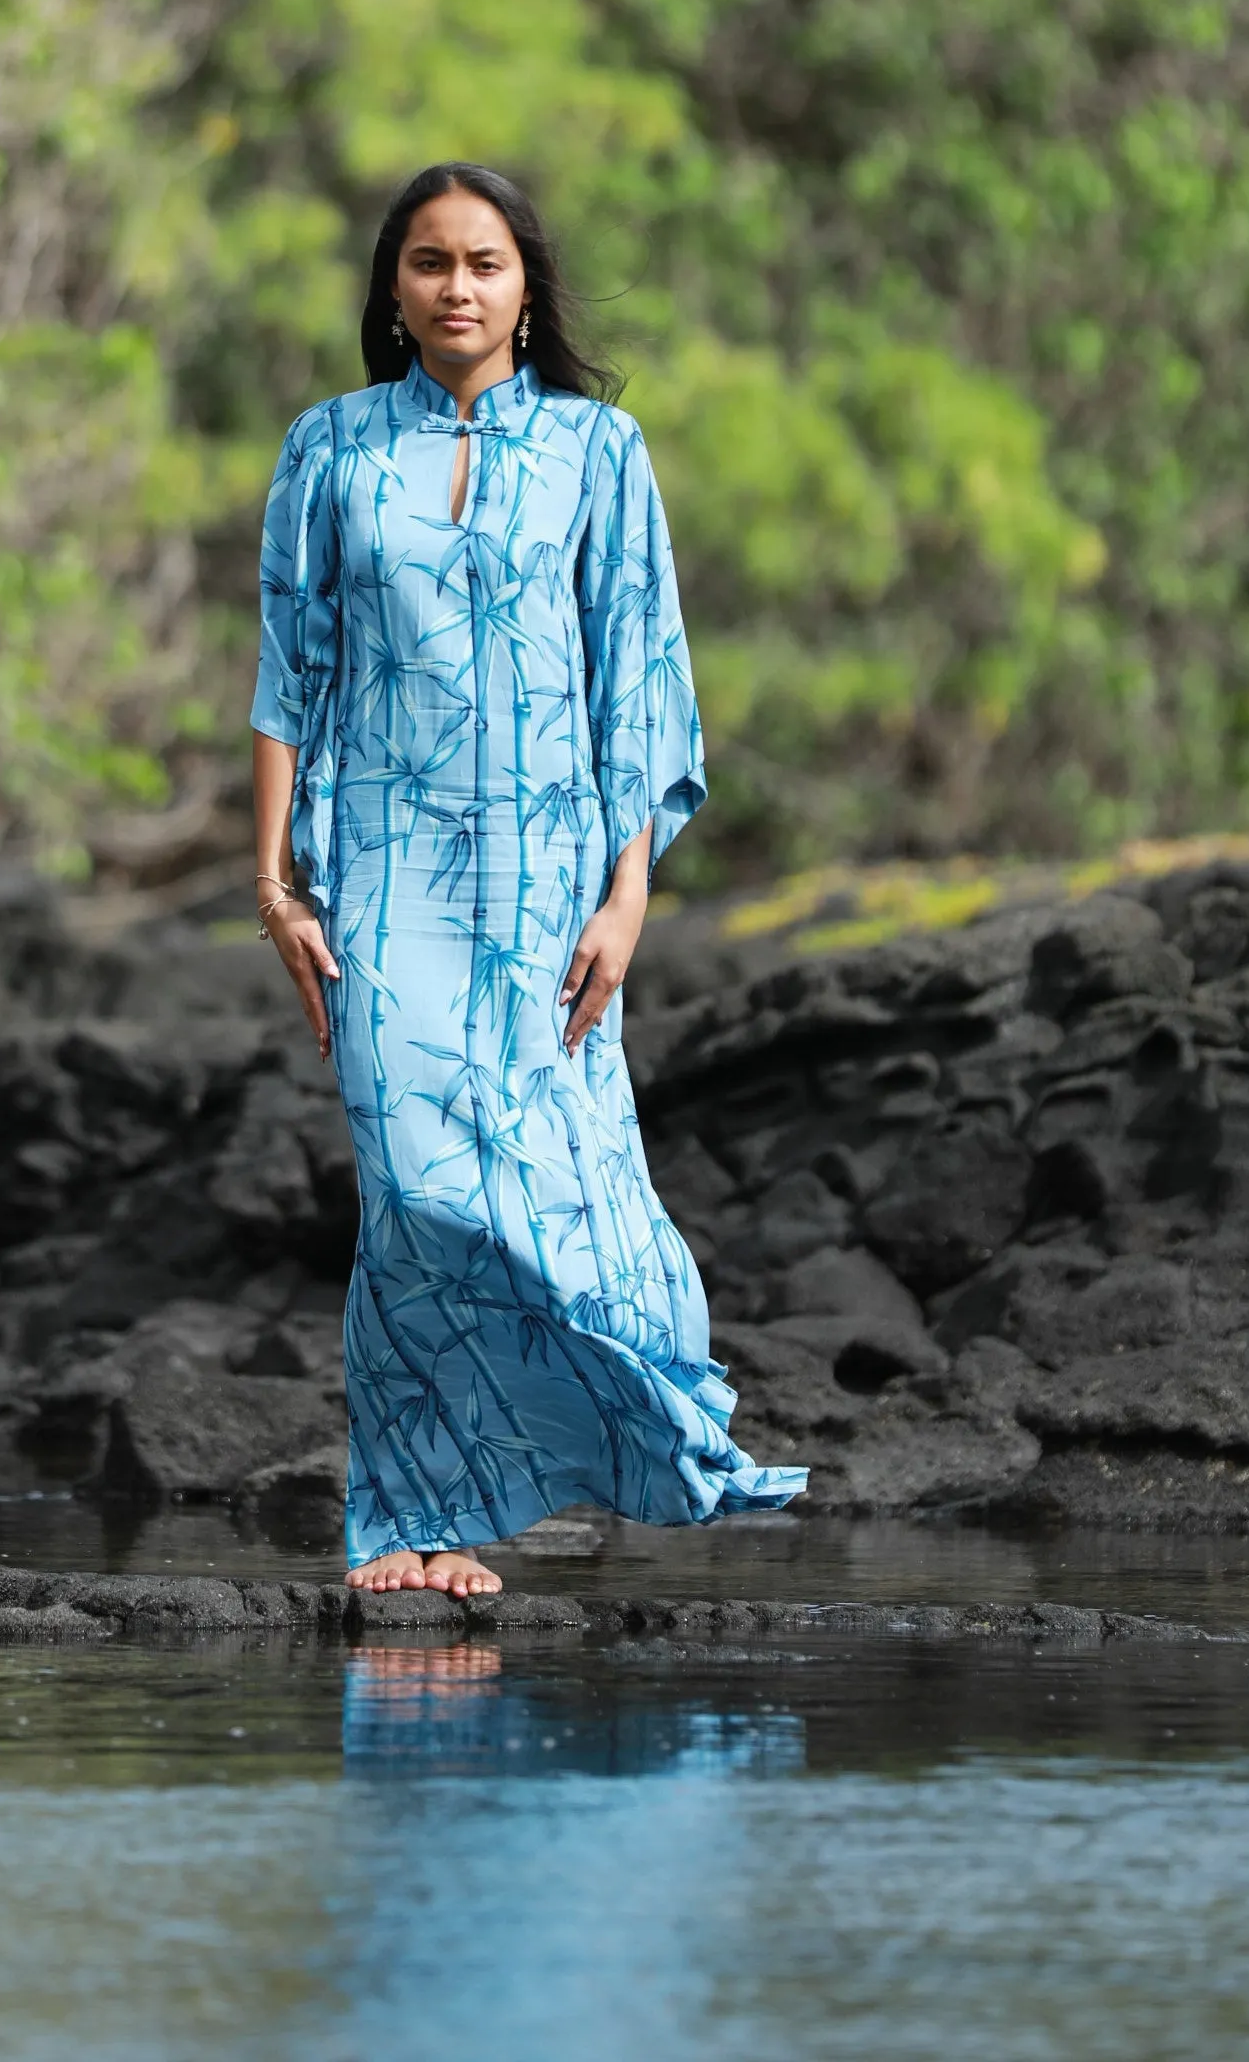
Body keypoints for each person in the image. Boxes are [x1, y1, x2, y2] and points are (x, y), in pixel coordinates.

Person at [250, 161, 808, 1597]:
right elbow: (288, 673)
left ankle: (626, 1435)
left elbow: (642, 681)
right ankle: (413, 1520)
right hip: (378, 874)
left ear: (525, 289)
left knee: (554, 1194)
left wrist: (630, 896)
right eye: (429, 262)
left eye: (484, 264)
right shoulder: (329, 450)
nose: (456, 287)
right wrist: (273, 880)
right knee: (417, 1192)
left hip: (548, 883)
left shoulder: (596, 452)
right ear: (392, 288)